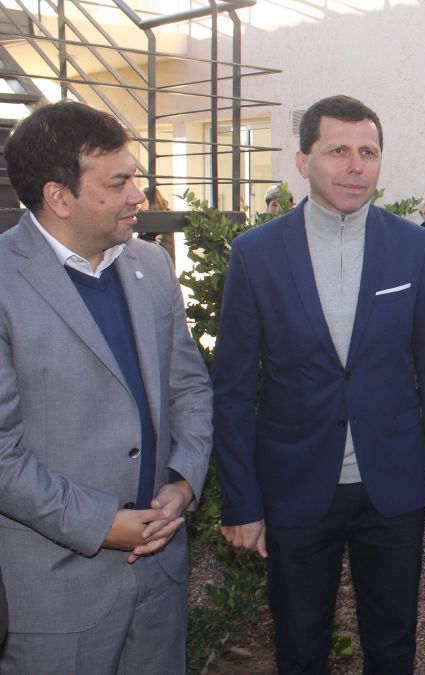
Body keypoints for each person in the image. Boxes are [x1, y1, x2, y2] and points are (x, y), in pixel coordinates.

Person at [213, 95, 425, 674]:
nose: (355, 166)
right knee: (300, 647)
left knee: (393, 645)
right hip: (295, 486)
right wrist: (241, 500)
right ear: (302, 161)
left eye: (367, 152)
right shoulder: (256, 254)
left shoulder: (412, 245)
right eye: (338, 150)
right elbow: (232, 389)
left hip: (391, 485)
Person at [0, 100, 213, 671]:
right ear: (59, 196)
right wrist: (100, 525)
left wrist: (183, 479)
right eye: (119, 182)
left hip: (161, 580)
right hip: (56, 596)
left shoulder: (151, 265)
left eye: (134, 178)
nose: (138, 196)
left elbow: (189, 389)